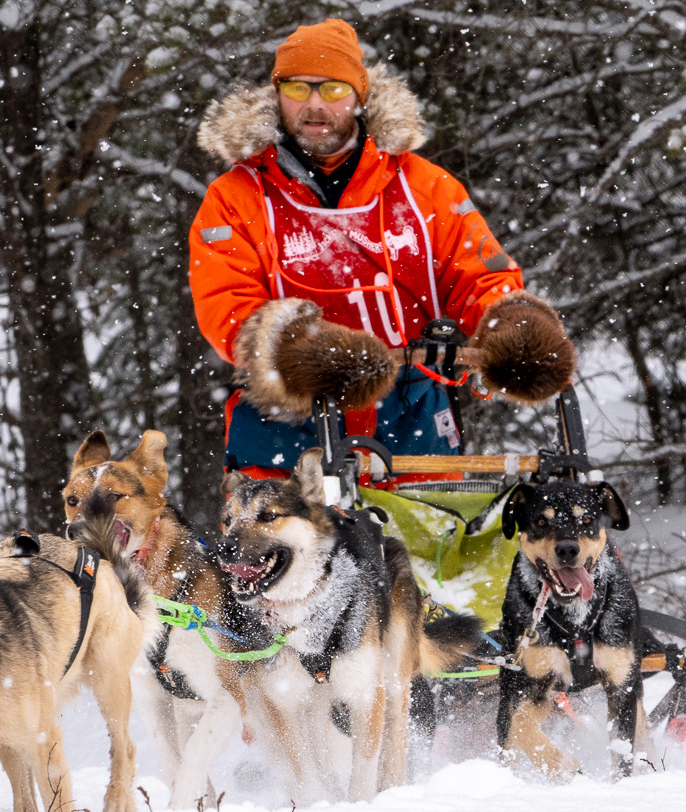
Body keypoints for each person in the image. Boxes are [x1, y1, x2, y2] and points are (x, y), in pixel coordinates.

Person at [188, 19, 576, 478]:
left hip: (412, 410)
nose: (313, 105)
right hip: (289, 421)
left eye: (332, 89)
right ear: (277, 95)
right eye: (297, 88)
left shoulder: (424, 186)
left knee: (433, 541)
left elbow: (480, 276)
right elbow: (227, 306)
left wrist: (512, 324)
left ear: (359, 95)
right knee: (282, 549)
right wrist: (300, 351)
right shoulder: (235, 197)